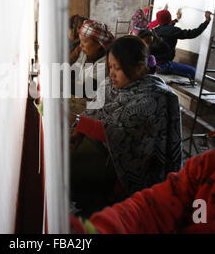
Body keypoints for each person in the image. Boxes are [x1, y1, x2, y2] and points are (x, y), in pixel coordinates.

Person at [71, 76, 215, 234]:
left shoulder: (149, 99)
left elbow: (115, 131)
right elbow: (154, 208)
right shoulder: (209, 172)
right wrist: (95, 230)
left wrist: (78, 121)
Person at [69, 36, 182, 215]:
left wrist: (73, 120)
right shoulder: (112, 85)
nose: (111, 73)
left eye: (118, 68)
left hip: (133, 167)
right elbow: (93, 111)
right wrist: (76, 136)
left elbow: (114, 132)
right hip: (108, 151)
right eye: (110, 67)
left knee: (72, 177)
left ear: (138, 68)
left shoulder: (152, 98)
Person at [151, 9, 212, 79]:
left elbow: (167, 26)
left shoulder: (155, 30)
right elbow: (193, 33)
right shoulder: (173, 30)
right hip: (164, 65)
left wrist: (177, 19)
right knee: (193, 71)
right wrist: (207, 21)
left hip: (154, 64)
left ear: (159, 20)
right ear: (169, 18)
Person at [70, 19, 115, 114]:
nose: (80, 45)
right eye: (80, 41)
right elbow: (74, 70)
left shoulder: (105, 64)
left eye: (84, 42)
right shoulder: (85, 53)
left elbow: (87, 90)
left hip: (93, 107)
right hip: (81, 99)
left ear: (99, 44)